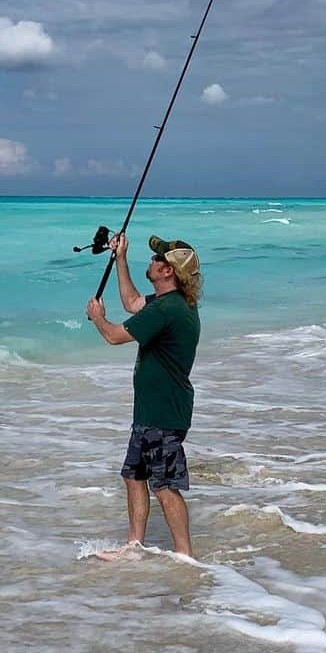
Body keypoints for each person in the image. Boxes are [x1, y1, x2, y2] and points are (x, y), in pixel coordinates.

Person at [85, 233, 203, 558]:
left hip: (164, 412)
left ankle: (186, 555)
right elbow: (133, 304)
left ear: (168, 272)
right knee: (134, 477)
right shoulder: (170, 304)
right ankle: (134, 545)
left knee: (165, 487)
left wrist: (98, 319)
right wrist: (120, 258)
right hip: (151, 412)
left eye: (158, 259)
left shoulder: (167, 310)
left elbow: (114, 336)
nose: (151, 262)